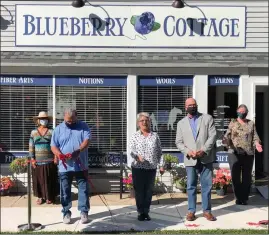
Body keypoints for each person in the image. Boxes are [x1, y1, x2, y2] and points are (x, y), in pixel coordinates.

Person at [175, 98, 217, 222]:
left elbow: (213, 136)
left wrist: (203, 150)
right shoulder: (181, 123)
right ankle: (191, 211)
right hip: (190, 158)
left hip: (205, 157)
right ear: (185, 107)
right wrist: (188, 152)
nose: (192, 107)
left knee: (207, 186)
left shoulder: (207, 118)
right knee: (191, 186)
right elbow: (178, 142)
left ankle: (207, 211)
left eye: (194, 105)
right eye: (190, 105)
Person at [51, 108, 91, 224]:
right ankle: (66, 212)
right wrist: (59, 155)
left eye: (72, 121)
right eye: (67, 121)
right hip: (65, 167)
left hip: (81, 165)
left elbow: (87, 140)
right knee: (65, 190)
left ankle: (84, 212)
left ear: (76, 117)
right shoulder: (58, 129)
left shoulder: (83, 126)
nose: (70, 123)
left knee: (83, 189)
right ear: (64, 117)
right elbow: (53, 145)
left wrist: (78, 150)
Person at [223, 104, 263, 205]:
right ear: (237, 112)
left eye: (244, 111)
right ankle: (238, 197)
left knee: (246, 177)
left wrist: (257, 143)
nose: (242, 113)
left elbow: (255, 136)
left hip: (248, 154)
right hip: (234, 153)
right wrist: (225, 141)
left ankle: (244, 198)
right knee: (235, 176)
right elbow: (227, 136)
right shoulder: (232, 123)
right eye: (240, 111)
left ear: (247, 113)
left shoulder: (251, 123)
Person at [129, 112, 165, 221]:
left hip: (151, 168)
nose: (144, 122)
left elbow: (159, 152)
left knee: (149, 191)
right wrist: (137, 157)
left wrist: (161, 165)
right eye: (142, 121)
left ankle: (146, 212)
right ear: (138, 123)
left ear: (150, 122)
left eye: (146, 120)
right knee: (139, 191)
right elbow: (131, 151)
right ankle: (140, 212)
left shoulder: (155, 136)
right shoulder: (134, 136)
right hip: (138, 168)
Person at [29, 111, 59, 205]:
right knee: (38, 180)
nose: (43, 121)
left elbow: (55, 145)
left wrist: (56, 157)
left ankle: (49, 197)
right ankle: (40, 197)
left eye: (45, 119)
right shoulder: (33, 132)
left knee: (50, 179)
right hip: (38, 161)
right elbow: (31, 146)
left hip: (50, 161)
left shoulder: (52, 131)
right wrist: (32, 159)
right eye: (42, 119)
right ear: (38, 120)